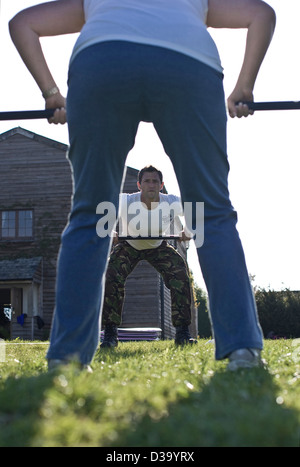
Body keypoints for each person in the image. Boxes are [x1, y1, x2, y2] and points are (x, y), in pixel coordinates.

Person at [9, 0, 276, 371]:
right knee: (212, 213)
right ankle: (243, 351)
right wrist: (243, 87)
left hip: (102, 64)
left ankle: (67, 358)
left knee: (89, 215)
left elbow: (23, 23)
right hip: (187, 65)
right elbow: (261, 13)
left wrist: (51, 93)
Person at [101, 165, 196, 348]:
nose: (151, 185)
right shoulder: (125, 201)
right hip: (129, 245)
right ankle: (110, 334)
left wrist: (188, 229)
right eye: (147, 181)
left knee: (181, 274)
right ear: (139, 184)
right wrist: (110, 231)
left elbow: (195, 209)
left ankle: (182, 333)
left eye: (155, 181)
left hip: (158, 246)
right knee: (112, 275)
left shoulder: (171, 202)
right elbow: (102, 209)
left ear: (161, 185)